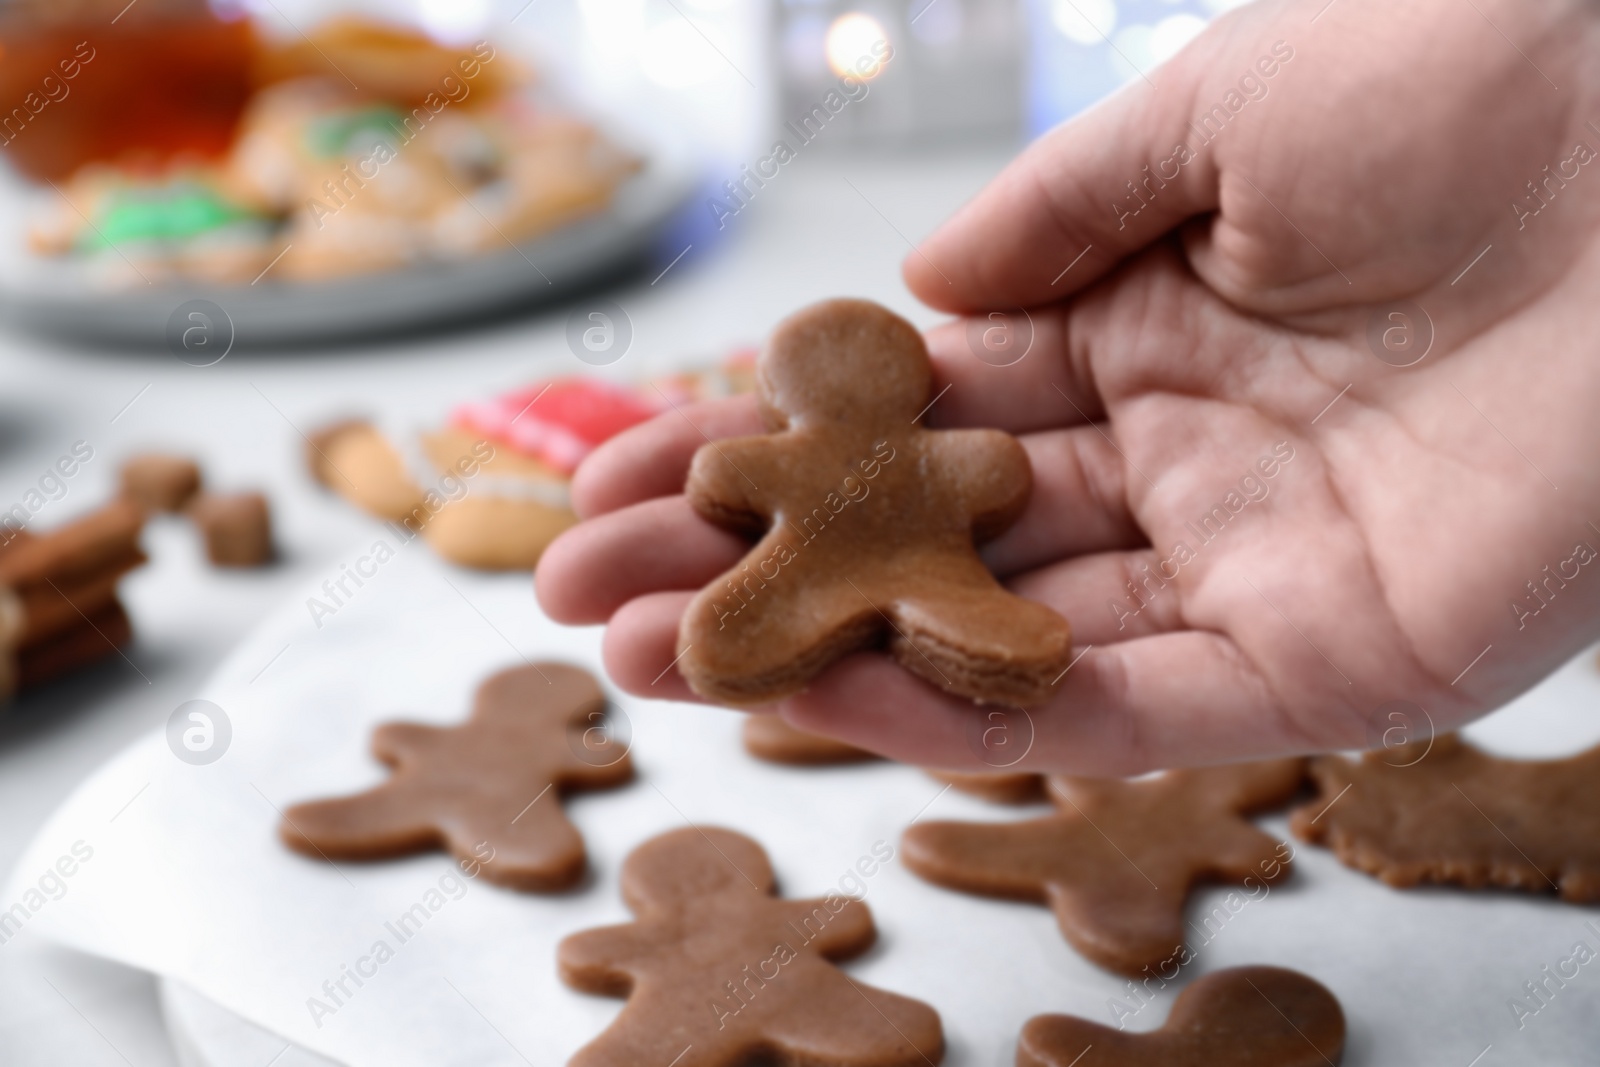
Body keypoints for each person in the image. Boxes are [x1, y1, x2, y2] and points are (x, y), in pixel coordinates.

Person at [536, 0, 1600, 774]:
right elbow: (750, 466)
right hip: (834, 558)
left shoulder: (908, 451)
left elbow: (975, 463)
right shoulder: (793, 456)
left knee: (941, 608)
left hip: (919, 566)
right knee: (769, 614)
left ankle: (979, 640)